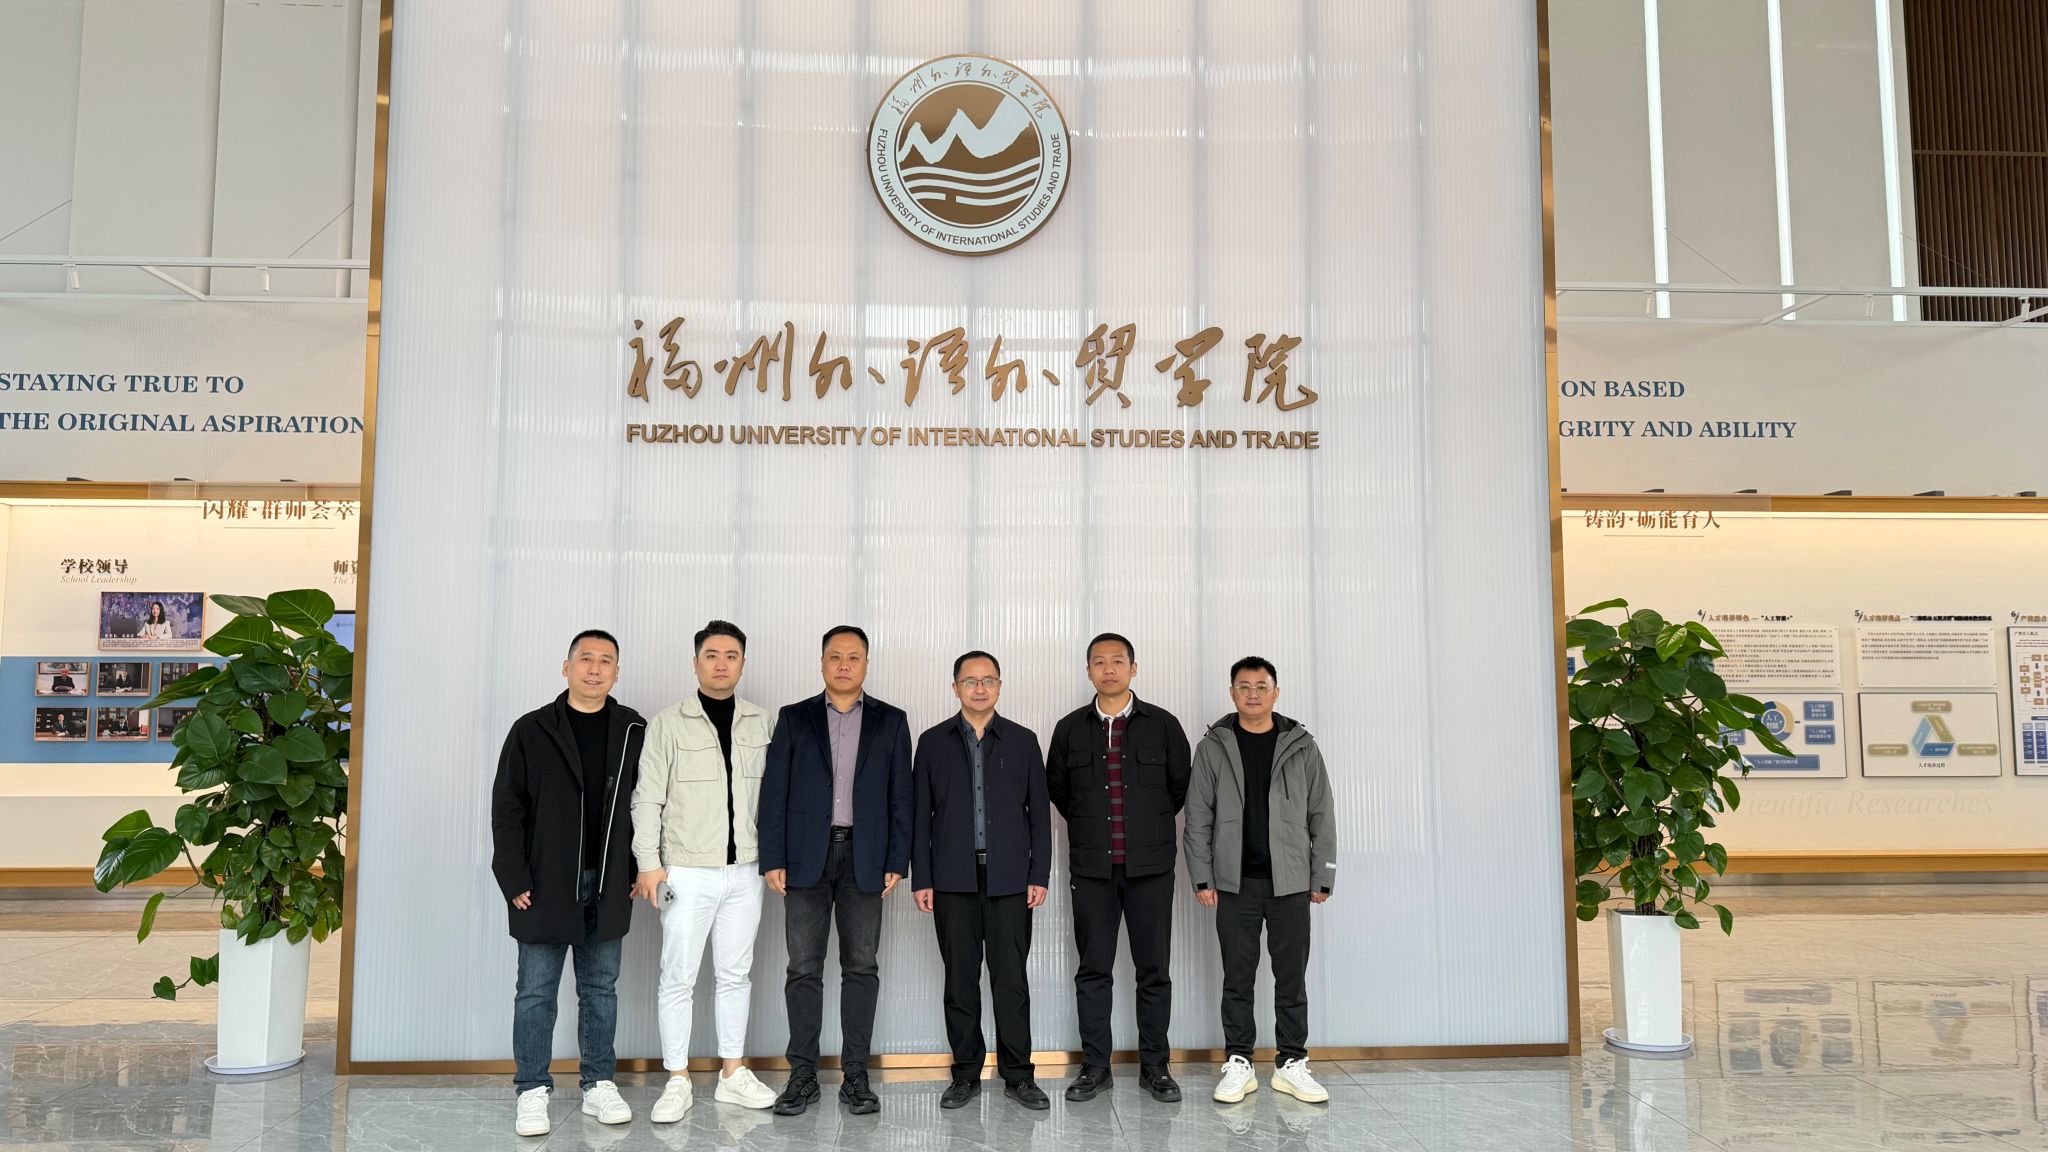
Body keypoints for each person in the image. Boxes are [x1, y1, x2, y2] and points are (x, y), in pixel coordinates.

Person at [490, 630, 646, 1138]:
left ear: (617, 673)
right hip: (544, 882)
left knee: (600, 990)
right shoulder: (532, 729)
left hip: (609, 882)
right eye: (586, 659)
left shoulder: (633, 730)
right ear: (567, 667)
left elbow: (649, 805)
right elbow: (507, 808)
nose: (595, 669)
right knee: (535, 992)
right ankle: (532, 1088)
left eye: (606, 661)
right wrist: (513, 876)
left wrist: (639, 867)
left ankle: (598, 1083)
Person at [757, 625, 914, 1116]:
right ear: (822, 662)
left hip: (866, 859)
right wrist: (773, 857)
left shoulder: (892, 721)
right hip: (805, 857)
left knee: (861, 967)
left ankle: (856, 1076)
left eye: (853, 657)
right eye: (835, 656)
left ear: (866, 664)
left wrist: (897, 859)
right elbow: (774, 792)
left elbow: (901, 797)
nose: (844, 665)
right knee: (803, 967)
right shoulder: (794, 718)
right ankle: (802, 1075)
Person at [631, 620, 779, 1121]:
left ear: (743, 663)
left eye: (731, 656)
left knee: (735, 974)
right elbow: (647, 798)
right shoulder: (667, 724)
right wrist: (649, 864)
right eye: (711, 655)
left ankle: (732, 1074)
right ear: (695, 663)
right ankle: (677, 1079)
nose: (721, 664)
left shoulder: (762, 723)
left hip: (746, 871)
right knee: (678, 976)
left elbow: (776, 799)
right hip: (686, 871)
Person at [1184, 656, 1337, 1106]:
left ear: (1276, 692)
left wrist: (1322, 875)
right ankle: (1239, 1063)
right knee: (1238, 977)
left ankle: (1292, 1064)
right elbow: (1197, 817)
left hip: (1291, 883)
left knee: (1292, 978)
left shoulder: (1302, 746)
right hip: (1235, 884)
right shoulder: (1214, 746)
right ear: (1232, 693)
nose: (1253, 694)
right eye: (1244, 687)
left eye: (1261, 686)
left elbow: (1322, 814)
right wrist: (1202, 877)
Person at [1046, 633, 1192, 1103]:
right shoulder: (1069, 729)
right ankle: (1095, 1066)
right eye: (1098, 662)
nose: (1108, 669)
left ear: (1134, 668)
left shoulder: (1163, 725)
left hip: (1151, 868)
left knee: (1154, 970)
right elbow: (1059, 792)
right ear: (1088, 671)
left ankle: (1155, 1066)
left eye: (1117, 661)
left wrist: (1143, 827)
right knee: (1093, 970)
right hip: (1093, 870)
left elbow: (1178, 789)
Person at [911, 651, 1052, 1112]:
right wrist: (922, 878)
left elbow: (1039, 815)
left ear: (999, 686)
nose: (979, 688)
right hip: (952, 878)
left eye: (988, 680)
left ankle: (1019, 1075)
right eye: (970, 681)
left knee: (1011, 981)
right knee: (960, 981)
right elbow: (921, 817)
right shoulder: (932, 742)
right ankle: (965, 1075)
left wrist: (1038, 873)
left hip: (1010, 879)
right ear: (955, 687)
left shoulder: (1024, 741)